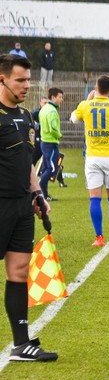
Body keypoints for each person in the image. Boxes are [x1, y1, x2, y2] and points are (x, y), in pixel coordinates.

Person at [0, 54, 57, 361]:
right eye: (20, 80)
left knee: (19, 272)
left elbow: (27, 164)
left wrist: (38, 195)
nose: (26, 86)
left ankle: (21, 344)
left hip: (23, 206)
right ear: (2, 79)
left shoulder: (26, 118)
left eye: (28, 80)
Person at [70, 75, 109, 247]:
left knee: (95, 199)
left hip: (92, 158)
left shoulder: (85, 105)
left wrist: (87, 100)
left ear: (95, 88)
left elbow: (73, 119)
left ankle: (99, 238)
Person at [38, 87, 64, 201]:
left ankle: (44, 195)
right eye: (60, 97)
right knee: (52, 169)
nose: (61, 99)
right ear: (53, 97)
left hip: (44, 142)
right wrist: (59, 135)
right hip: (50, 143)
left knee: (46, 169)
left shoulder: (43, 109)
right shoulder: (52, 111)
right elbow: (53, 128)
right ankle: (37, 189)